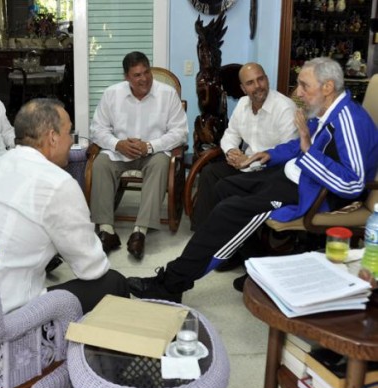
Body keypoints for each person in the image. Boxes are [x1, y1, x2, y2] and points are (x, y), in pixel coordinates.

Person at [128, 57, 378, 301]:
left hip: (310, 193)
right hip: (294, 174)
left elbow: (353, 184)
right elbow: (295, 145)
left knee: (229, 210)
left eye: (304, 85)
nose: (298, 93)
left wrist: (307, 149)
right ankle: (252, 264)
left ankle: (172, 283)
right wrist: (267, 154)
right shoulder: (325, 112)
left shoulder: (349, 121)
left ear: (328, 87)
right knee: (224, 186)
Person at [0, 98, 129, 314]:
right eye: (69, 133)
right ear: (53, 137)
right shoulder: (58, 183)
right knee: (114, 283)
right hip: (7, 318)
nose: (71, 141)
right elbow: (91, 267)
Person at [89, 51, 188, 260]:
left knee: (162, 163)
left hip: (153, 153)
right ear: (126, 77)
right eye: (137, 75)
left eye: (146, 72)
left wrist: (150, 146)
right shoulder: (112, 94)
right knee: (100, 164)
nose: (144, 79)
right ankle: (107, 230)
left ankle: (140, 231)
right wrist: (118, 144)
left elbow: (180, 132)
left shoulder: (167, 94)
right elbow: (97, 129)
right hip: (119, 153)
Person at [191, 62, 298, 231]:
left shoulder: (285, 108)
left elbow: (289, 152)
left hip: (271, 171)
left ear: (267, 79)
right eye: (250, 83)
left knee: (225, 186)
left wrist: (248, 161)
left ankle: (226, 232)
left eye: (260, 79)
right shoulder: (242, 104)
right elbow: (231, 134)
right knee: (209, 173)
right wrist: (232, 152)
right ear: (243, 88)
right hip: (245, 166)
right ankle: (202, 231)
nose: (257, 86)